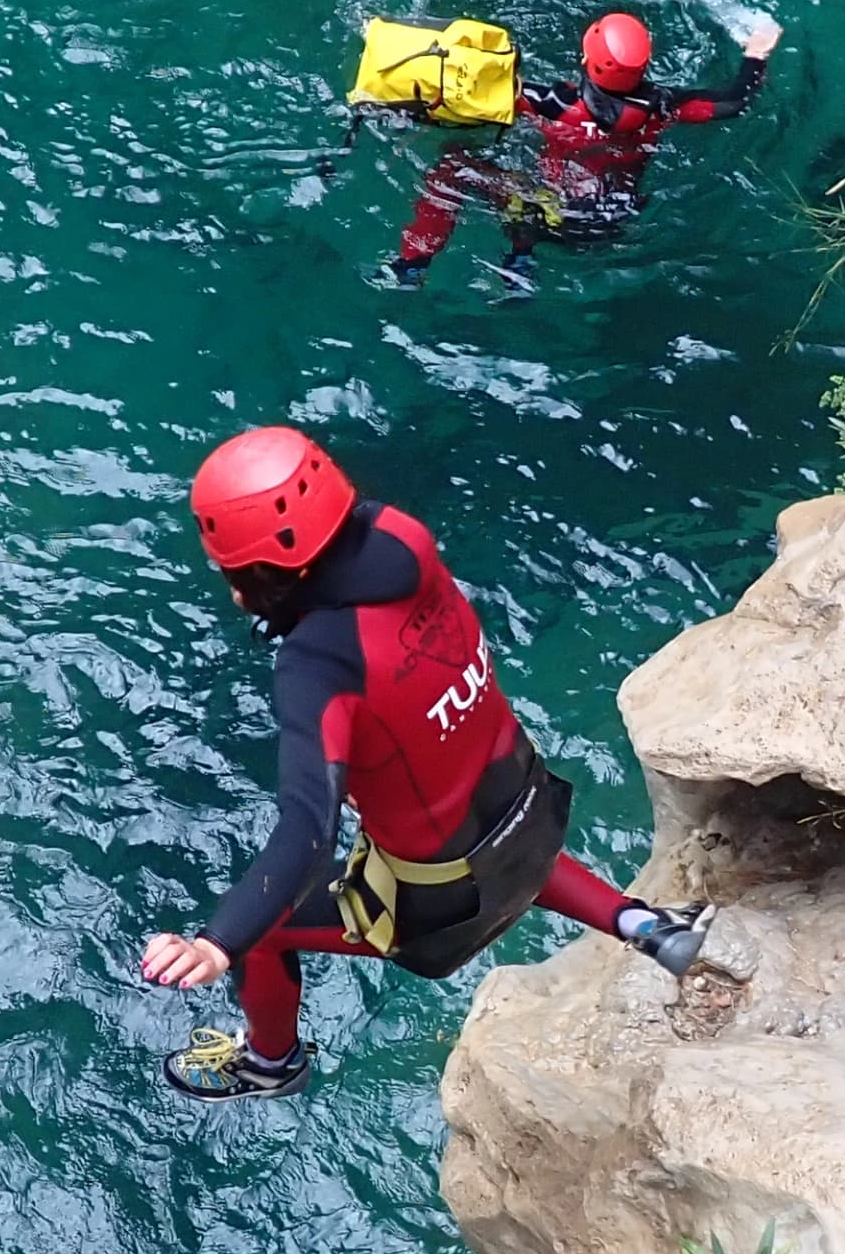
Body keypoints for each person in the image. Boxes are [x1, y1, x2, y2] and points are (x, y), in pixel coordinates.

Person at [138, 425, 709, 1097]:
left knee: (268, 934)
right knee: (486, 828)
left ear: (265, 571)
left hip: (445, 903)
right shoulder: (401, 539)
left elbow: (307, 830)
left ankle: (272, 1064)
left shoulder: (318, 666)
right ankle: (643, 924)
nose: (233, 590)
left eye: (235, 571)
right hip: (531, 805)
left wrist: (218, 941)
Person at [378, 6, 782, 288]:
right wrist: (756, 52)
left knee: (452, 166)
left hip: (546, 213)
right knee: (562, 197)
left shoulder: (550, 103)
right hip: (610, 225)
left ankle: (413, 267)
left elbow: (475, 102)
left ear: (587, 58)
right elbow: (734, 101)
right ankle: (519, 262)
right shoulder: (663, 108)